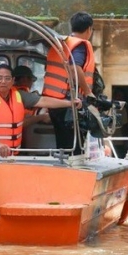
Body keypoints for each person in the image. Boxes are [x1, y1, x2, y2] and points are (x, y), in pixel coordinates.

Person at [0, 64, 80, 157]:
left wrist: (70, 103)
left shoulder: (19, 95)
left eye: (7, 78)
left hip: (14, 155)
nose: (3, 81)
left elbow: (43, 101)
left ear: (13, 81)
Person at [42, 11, 95, 154]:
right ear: (89, 29)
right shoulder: (80, 45)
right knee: (75, 148)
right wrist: (88, 92)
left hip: (53, 101)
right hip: (68, 103)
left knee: (63, 145)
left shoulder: (60, 43)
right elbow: (74, 68)